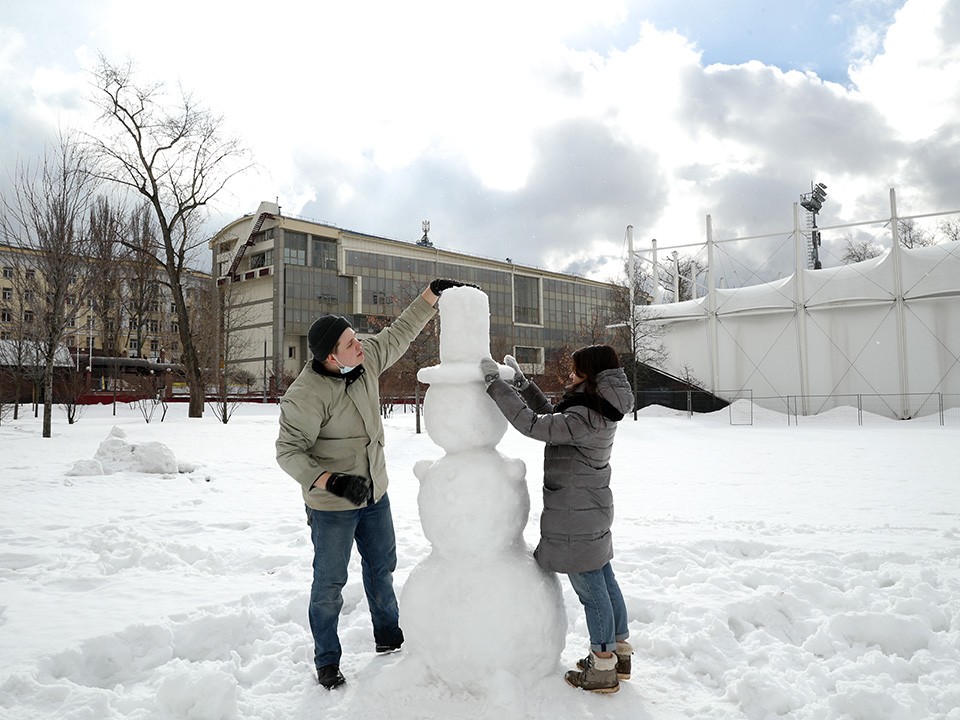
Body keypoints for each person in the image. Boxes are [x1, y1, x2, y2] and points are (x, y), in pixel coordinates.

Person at [277, 278, 470, 690]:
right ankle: (327, 660)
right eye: (350, 343)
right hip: (332, 505)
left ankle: (389, 637)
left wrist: (430, 295)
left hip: (374, 494)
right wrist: (330, 481)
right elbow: (288, 452)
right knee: (329, 584)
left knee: (382, 568)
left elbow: (399, 332)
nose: (359, 344)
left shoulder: (364, 363)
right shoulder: (305, 396)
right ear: (331, 357)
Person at [480, 345, 634, 694]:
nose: (570, 375)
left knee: (591, 590)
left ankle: (603, 665)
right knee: (604, 578)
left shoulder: (587, 415)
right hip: (588, 507)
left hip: (575, 514)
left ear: (590, 374)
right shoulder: (597, 406)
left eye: (576, 370)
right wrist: (523, 386)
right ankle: (619, 653)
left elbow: (535, 425)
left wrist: (495, 385)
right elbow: (553, 418)